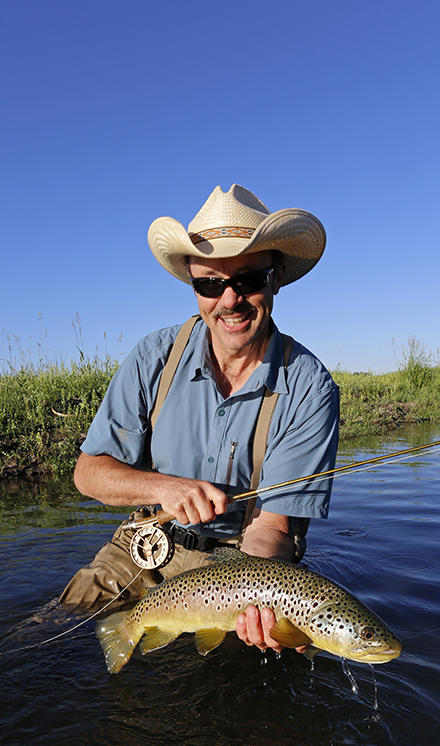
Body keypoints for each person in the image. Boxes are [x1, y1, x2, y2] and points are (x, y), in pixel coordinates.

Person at [60, 184, 339, 652]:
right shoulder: (153, 357)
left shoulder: (309, 389)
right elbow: (89, 474)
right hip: (145, 546)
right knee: (51, 631)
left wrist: (254, 604)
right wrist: (164, 488)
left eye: (248, 280)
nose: (229, 300)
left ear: (277, 276)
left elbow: (271, 529)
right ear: (193, 283)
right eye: (210, 283)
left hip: (245, 563)